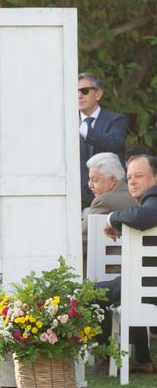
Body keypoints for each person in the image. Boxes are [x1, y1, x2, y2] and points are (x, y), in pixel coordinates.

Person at [95, 154, 157, 374]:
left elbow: (146, 215)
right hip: (145, 286)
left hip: (150, 288)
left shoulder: (153, 201)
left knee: (90, 293)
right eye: (129, 176)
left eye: (139, 176)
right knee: (127, 289)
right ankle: (142, 359)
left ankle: (103, 359)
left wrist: (111, 219)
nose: (132, 181)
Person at [78, 72, 127, 209]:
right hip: (76, 198)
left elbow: (115, 143)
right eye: (74, 92)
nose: (79, 96)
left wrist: (82, 128)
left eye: (84, 91)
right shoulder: (65, 124)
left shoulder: (116, 120)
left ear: (98, 94)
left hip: (110, 197)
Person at [81, 152, 136, 264]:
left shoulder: (104, 201)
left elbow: (81, 244)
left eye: (95, 180)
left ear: (112, 180)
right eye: (89, 179)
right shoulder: (135, 195)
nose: (90, 185)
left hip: (108, 270)